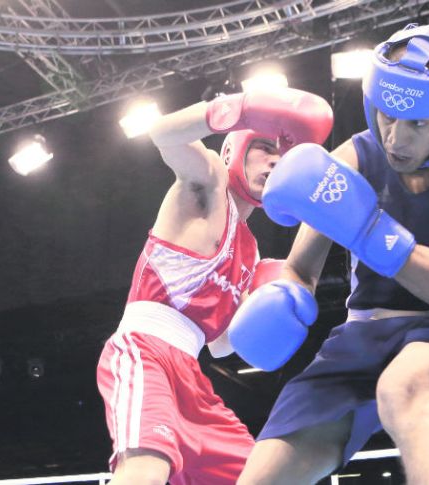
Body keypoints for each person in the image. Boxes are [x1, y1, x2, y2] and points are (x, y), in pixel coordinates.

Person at [230, 23, 429, 485]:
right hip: (358, 334)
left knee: (401, 392)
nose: (395, 139)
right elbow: (300, 268)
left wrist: (367, 228)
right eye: (386, 115)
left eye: (417, 123)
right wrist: (287, 296)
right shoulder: (354, 157)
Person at [94, 87, 333, 485]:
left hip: (192, 375)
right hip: (144, 350)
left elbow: (221, 345)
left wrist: (269, 303)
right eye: (264, 148)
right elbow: (162, 133)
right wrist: (236, 108)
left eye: (282, 155)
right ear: (233, 151)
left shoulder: (251, 255)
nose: (275, 160)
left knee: (260, 478)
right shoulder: (208, 182)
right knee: (145, 472)